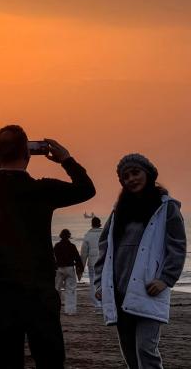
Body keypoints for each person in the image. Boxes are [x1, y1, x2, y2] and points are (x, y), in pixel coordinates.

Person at [0, 125, 95, 368]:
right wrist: (66, 159)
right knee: (50, 359)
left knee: (7, 359)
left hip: (0, 289)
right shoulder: (41, 189)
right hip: (39, 288)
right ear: (27, 153)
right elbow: (86, 189)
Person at [94, 154, 186, 369]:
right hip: (119, 292)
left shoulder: (166, 207)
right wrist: (100, 283)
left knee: (146, 349)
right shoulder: (119, 211)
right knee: (129, 353)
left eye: (136, 173)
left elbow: (177, 247)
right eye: (125, 177)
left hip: (148, 289)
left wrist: (166, 279)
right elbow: (104, 248)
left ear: (149, 174)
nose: (131, 179)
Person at [54, 229, 84, 315]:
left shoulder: (57, 246)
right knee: (71, 290)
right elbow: (77, 258)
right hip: (70, 268)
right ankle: (70, 310)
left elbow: (53, 258)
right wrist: (80, 268)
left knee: (57, 289)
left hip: (59, 269)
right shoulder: (72, 246)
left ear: (61, 236)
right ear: (69, 236)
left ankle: (56, 308)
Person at [81, 216, 103, 309]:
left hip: (92, 264)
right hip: (104, 262)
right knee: (103, 283)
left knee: (93, 284)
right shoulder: (105, 233)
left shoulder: (88, 236)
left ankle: (97, 305)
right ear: (100, 224)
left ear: (92, 224)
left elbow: (83, 253)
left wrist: (81, 267)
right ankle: (103, 305)